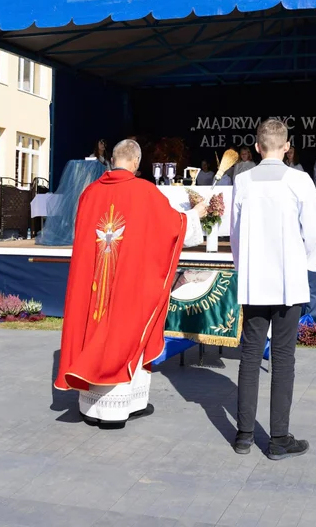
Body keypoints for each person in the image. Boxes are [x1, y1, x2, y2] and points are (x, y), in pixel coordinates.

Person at [55, 139, 207, 428]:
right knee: (127, 329)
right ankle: (116, 411)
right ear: (136, 162)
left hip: (95, 282)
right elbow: (172, 228)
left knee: (95, 328)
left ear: (113, 159)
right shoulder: (144, 192)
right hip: (127, 283)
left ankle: (94, 408)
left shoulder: (89, 193)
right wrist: (194, 216)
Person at [230, 119, 316, 460]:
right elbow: (314, 233)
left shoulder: (242, 181)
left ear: (256, 147)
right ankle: (278, 440)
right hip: (288, 284)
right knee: (283, 358)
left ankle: (243, 436)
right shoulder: (299, 180)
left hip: (255, 283)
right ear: (286, 147)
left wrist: (245, 269)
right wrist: (306, 265)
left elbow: (235, 235)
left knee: (250, 355)